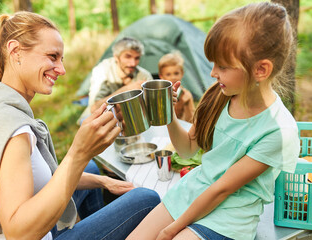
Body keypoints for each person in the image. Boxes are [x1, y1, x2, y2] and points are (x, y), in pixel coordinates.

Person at [0, 12, 160, 240]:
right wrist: (79, 153)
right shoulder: (13, 130)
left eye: (61, 59)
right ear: (15, 51)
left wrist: (103, 181)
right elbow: (17, 234)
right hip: (28, 233)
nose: (61, 69)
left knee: (93, 170)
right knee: (146, 198)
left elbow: (41, 175)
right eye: (52, 56)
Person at [127, 2, 300, 239]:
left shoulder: (278, 131)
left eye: (223, 66)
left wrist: (170, 230)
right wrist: (168, 113)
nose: (213, 73)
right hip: (192, 193)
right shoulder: (220, 95)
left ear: (261, 70)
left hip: (229, 218)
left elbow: (222, 189)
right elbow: (187, 149)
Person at [84, 37, 153, 115]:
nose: (133, 63)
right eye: (128, 57)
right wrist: (127, 89)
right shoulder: (102, 70)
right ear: (116, 57)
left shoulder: (143, 75)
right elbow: (94, 108)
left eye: (137, 58)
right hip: (98, 117)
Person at [158, 51, 195, 123]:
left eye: (176, 73)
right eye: (168, 74)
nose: (173, 77)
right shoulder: (159, 94)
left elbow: (191, 121)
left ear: (182, 73)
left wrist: (187, 105)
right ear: (161, 77)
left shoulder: (186, 95)